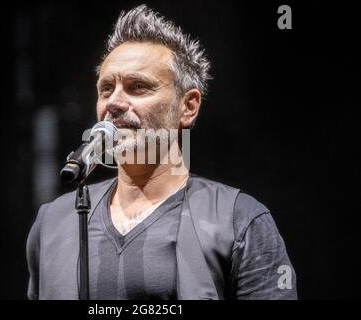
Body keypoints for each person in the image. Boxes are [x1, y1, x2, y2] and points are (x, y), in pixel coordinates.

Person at [26, 4, 297, 300]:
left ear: (188, 106)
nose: (114, 102)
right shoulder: (53, 222)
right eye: (106, 89)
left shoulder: (239, 219)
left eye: (138, 87)